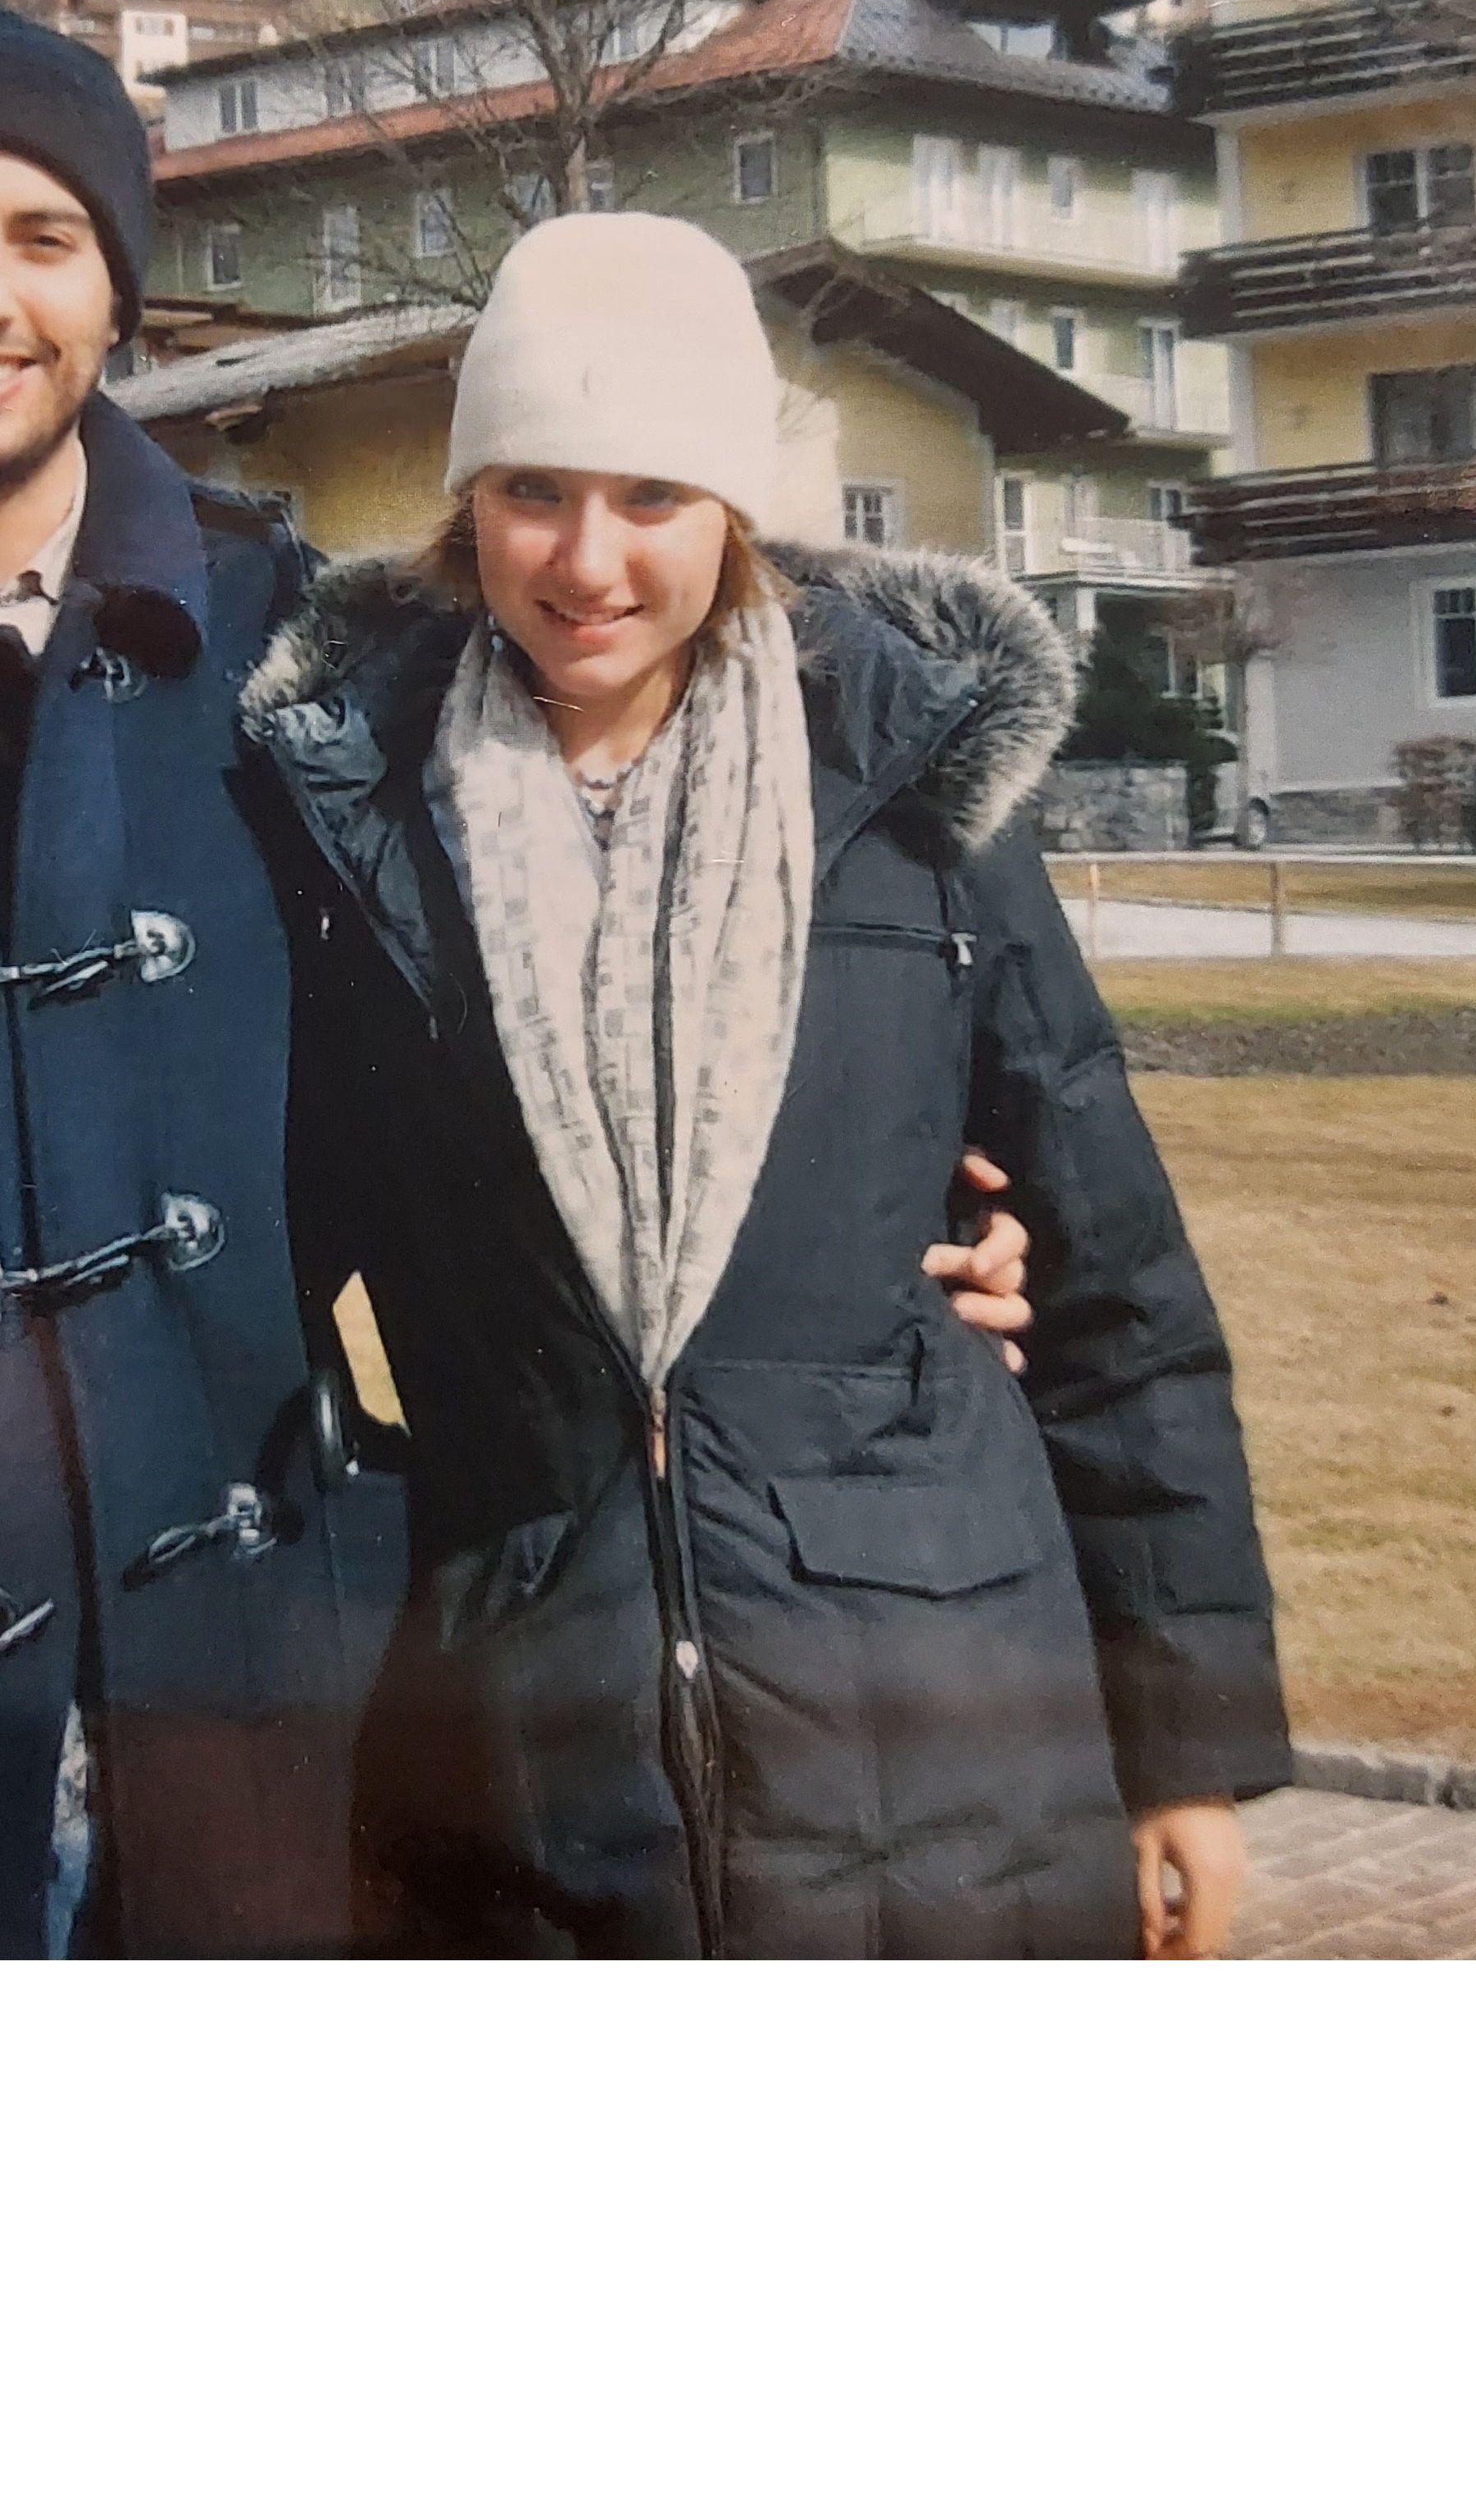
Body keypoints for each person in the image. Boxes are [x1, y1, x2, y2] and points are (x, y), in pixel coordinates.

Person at [0, 6, 1040, 1955]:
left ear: (114, 288)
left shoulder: (281, 643)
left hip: (253, 1666)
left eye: (45, 239)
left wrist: (881, 1248)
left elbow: (560, 952)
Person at [243, 210, 1290, 1958]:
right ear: (464, 503)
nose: (586, 560)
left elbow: (1116, 1290)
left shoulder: (907, 791)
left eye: (652, 496)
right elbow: (240, 1252)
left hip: (943, 1745)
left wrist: (1182, 1753)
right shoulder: (351, 819)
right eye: (531, 491)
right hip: (520, 1756)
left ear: (733, 513)